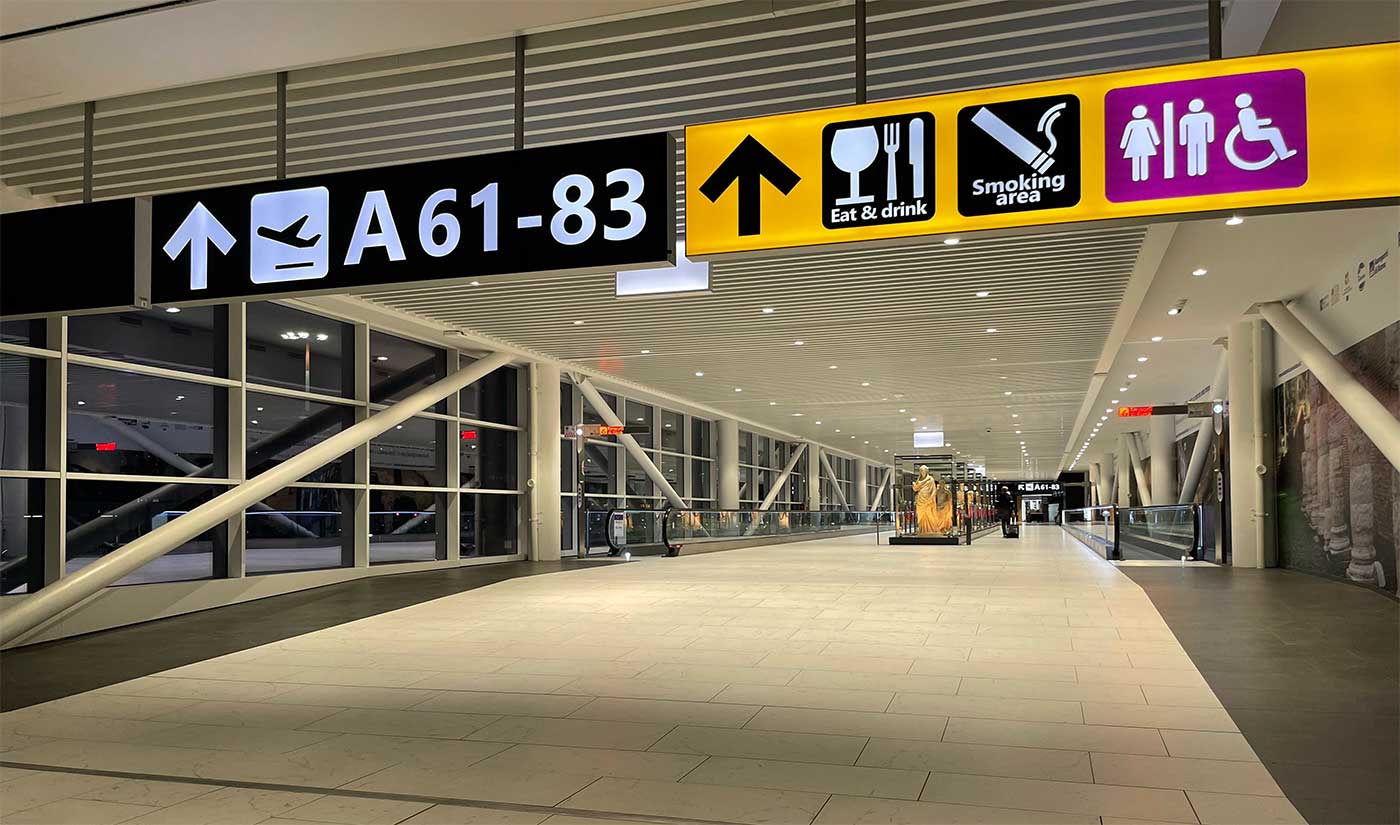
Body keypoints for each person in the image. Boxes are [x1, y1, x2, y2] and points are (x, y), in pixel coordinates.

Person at [1120, 104, 1161, 182]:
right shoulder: (1132, 124)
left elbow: (1152, 132)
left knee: (1141, 159)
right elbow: (1126, 134)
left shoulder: (1146, 122)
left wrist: (1156, 141)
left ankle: (1142, 176)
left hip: (1143, 144)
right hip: (1137, 144)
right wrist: (1156, 142)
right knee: (1139, 159)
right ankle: (1138, 177)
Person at [1178, 98, 1214, 177]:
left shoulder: (1206, 116)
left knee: (1201, 153)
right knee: (1192, 154)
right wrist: (1183, 141)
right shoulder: (1185, 118)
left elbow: (1210, 127)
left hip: (1201, 138)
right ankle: (1192, 171)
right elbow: (1183, 130)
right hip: (1192, 139)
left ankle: (1201, 170)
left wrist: (1210, 138)